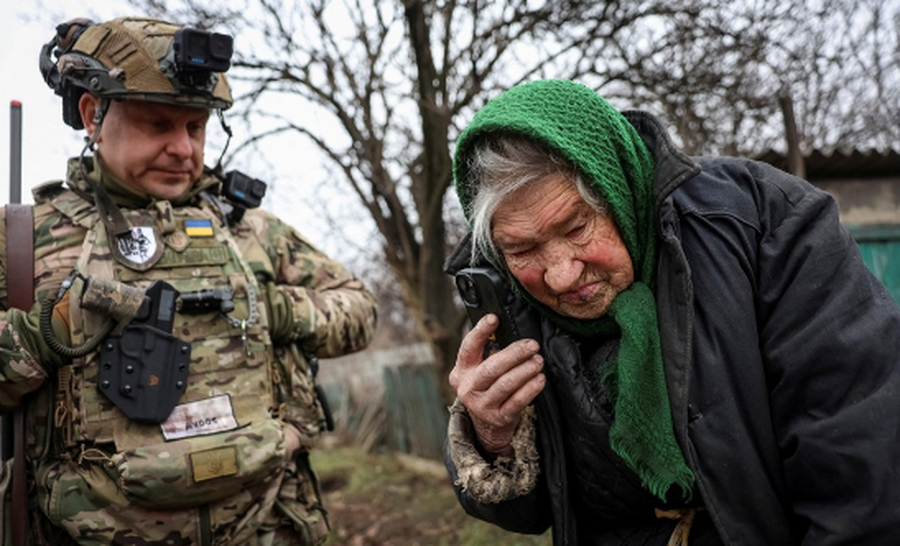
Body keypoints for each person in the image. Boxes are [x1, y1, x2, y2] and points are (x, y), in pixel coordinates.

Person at [443, 79, 900, 545]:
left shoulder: (764, 224)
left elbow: (862, 464)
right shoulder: (511, 306)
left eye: (577, 227)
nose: (560, 275)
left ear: (616, 186)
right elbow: (527, 514)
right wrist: (490, 436)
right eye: (522, 249)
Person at [0, 16, 377, 546]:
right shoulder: (24, 239)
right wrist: (46, 335)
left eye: (195, 128)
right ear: (93, 115)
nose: (183, 149)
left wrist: (274, 309)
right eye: (159, 125)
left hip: (268, 525)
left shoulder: (249, 229)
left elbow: (361, 310)